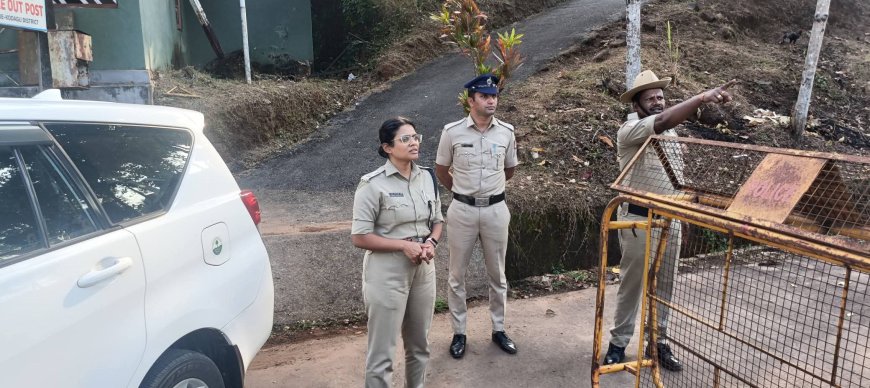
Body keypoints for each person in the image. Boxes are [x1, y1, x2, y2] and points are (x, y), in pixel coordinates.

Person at [604, 70, 736, 371]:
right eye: (650, 98)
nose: (657, 102)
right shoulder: (630, 129)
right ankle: (618, 343)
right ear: (637, 105)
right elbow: (662, 121)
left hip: (670, 219)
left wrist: (681, 215)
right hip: (638, 221)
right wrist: (702, 98)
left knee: (666, 285)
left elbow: (674, 179)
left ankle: (658, 342)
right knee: (632, 286)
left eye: (660, 97)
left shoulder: (671, 134)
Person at [351, 117, 444, 388]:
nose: (413, 143)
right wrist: (404, 245)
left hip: (423, 269)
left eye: (415, 137)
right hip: (387, 272)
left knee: (420, 346)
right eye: (405, 139)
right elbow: (360, 237)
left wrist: (431, 243)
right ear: (387, 147)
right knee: (382, 353)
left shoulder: (427, 177)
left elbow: (437, 221)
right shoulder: (372, 184)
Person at [435, 74, 519, 359]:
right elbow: (441, 169)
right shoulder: (452, 132)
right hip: (462, 211)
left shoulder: (506, 132)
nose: (491, 101)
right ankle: (459, 332)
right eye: (484, 96)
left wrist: (489, 192)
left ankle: (499, 329)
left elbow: (509, 169)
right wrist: (462, 192)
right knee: (456, 275)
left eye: (494, 96)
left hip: (496, 210)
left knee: (498, 274)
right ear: (471, 101)